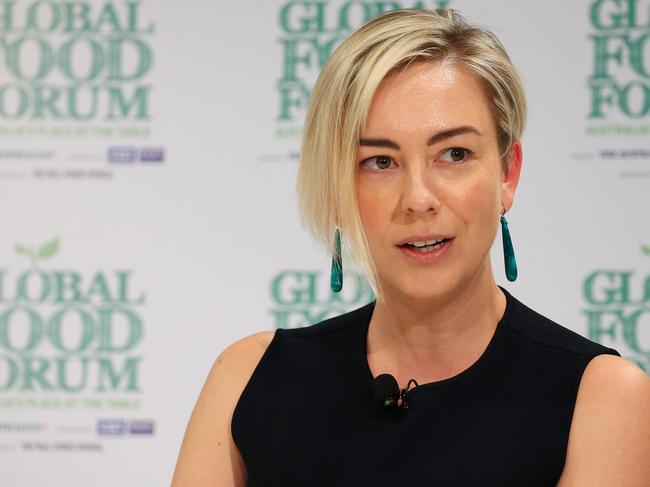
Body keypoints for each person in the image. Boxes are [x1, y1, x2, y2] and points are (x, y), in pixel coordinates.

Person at [171, 8, 650, 486]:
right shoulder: (250, 378)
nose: (418, 199)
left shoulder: (600, 395)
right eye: (380, 161)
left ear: (507, 172)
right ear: (338, 188)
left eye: (454, 154)